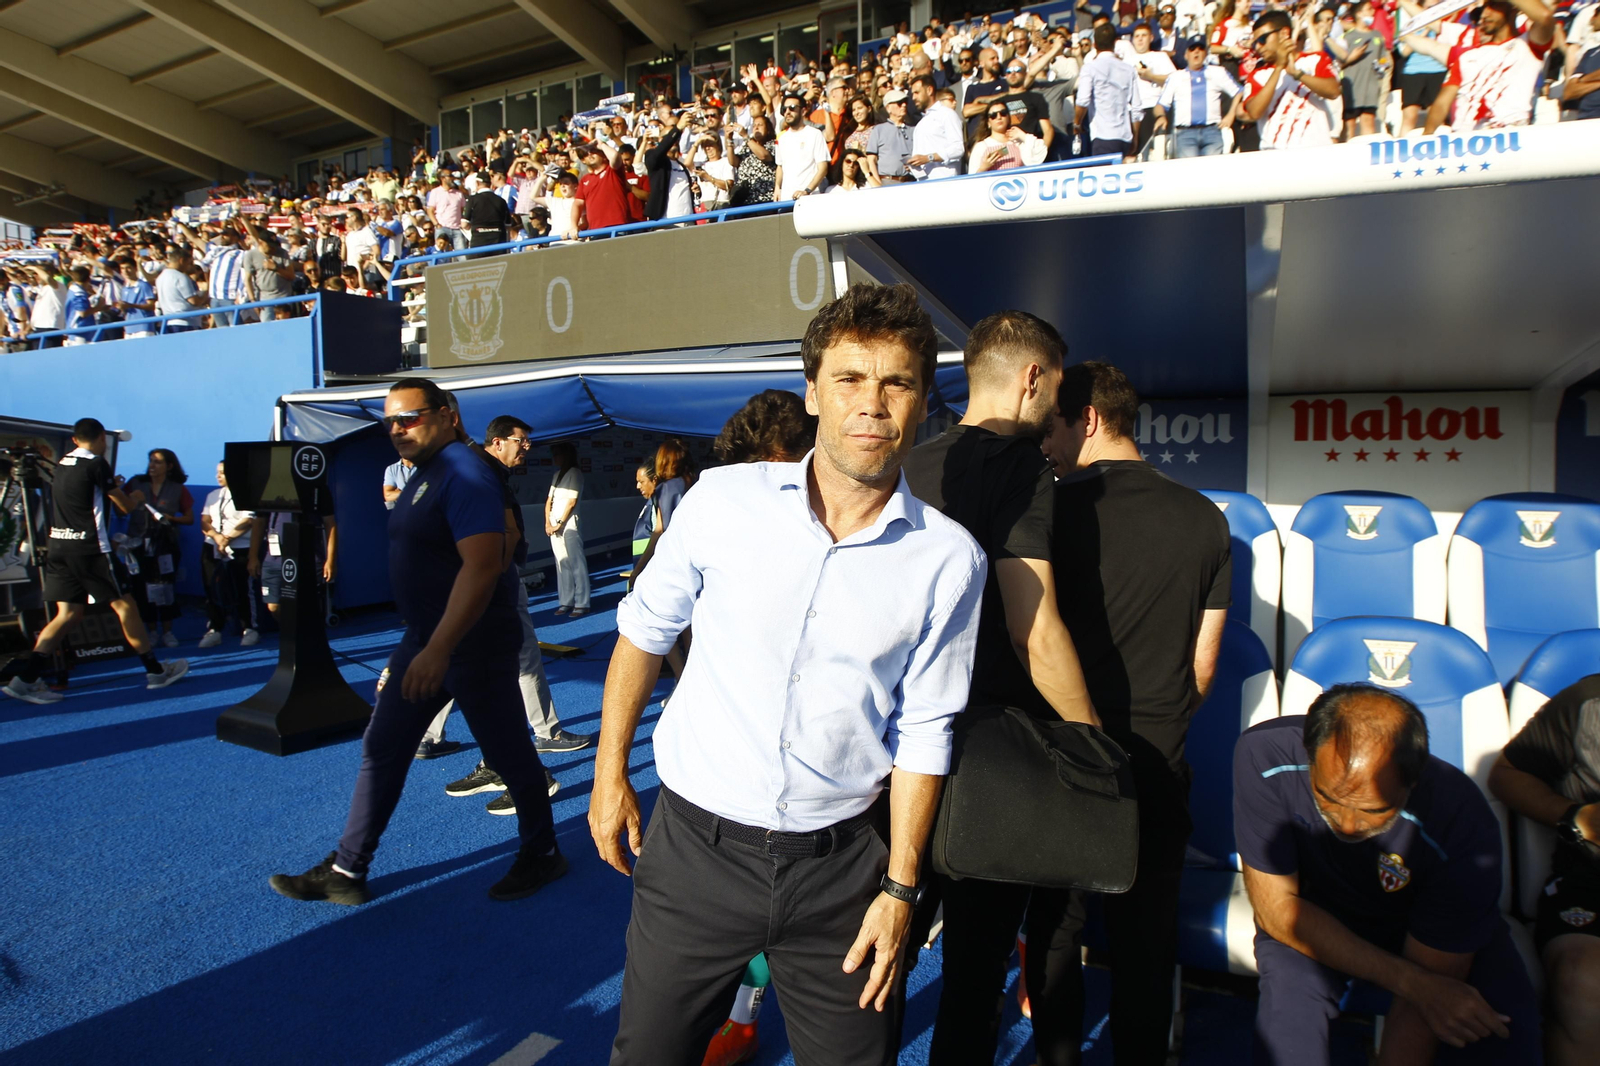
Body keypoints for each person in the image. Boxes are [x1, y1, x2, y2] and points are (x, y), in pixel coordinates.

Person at [591, 283, 986, 1066]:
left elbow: (925, 731)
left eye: (896, 381)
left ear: (923, 402)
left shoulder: (949, 559)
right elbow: (642, 633)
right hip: (694, 857)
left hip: (843, 875)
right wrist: (609, 777)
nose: (871, 403)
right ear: (813, 392)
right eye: (849, 378)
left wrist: (901, 892)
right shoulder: (722, 500)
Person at [268, 379, 566, 906]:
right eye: (390, 421)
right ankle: (347, 868)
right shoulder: (428, 474)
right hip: (429, 639)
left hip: (470, 643)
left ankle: (542, 853)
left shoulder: (466, 473)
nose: (397, 429)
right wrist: (421, 642)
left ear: (448, 414)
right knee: (383, 746)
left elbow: (482, 567)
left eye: (410, 417)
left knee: (508, 752)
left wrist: (438, 647)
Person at [1018, 360, 1230, 1065]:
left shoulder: (1047, 510)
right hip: (1160, 765)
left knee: (1055, 930)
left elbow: (1031, 641)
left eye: (1051, 426)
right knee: (1147, 939)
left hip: (1065, 762)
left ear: (1091, 420)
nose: (1043, 442)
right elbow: (1203, 667)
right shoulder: (1206, 518)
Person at [905, 314, 1101, 1066]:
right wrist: (1094, 748)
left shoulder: (911, 465)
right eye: (1054, 388)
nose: (1056, 411)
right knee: (975, 972)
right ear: (1031, 379)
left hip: (895, 760)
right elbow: (1035, 627)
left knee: (881, 947)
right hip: (987, 764)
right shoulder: (1024, 470)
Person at [1235, 686, 1543, 1064]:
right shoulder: (1265, 756)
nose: (1347, 825)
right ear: (1309, 755)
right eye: (1327, 797)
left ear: (1413, 783)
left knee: (1501, 1030)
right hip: (1316, 911)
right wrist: (1414, 984)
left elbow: (1435, 982)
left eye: (1372, 809)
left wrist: (1427, 990)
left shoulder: (1461, 821)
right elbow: (1277, 909)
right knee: (1289, 1002)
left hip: (1428, 929)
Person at [430, 414, 591, 779]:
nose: (527, 450)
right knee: (519, 659)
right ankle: (534, 742)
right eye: (522, 441)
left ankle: (432, 734)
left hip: (476, 578)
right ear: (498, 441)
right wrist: (499, 576)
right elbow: (506, 531)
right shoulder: (483, 472)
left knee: (463, 657)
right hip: (493, 580)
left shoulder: (474, 470)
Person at [0, 418, 188, 704]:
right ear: (101, 438)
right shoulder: (97, 464)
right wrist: (136, 495)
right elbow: (124, 507)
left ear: (75, 440)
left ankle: (24, 680)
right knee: (126, 606)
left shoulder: (62, 463)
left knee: (68, 615)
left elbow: (85, 494)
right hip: (91, 549)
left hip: (60, 547)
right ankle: (156, 672)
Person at [1488, 673, 1600, 1066]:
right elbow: (1506, 776)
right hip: (1589, 887)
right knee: (1583, 980)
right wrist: (1576, 816)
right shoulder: (1590, 700)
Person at [1424, 0, 1557, 134]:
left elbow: (1545, 17)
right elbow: (1441, 104)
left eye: (1493, 6)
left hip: (1510, 137)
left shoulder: (1528, 45)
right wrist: (1425, 138)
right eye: (1485, 7)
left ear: (1514, 8)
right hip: (1464, 141)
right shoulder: (1466, 57)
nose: (1485, 14)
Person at [121, 449, 196, 647]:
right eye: (151, 461)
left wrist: (171, 519)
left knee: (165, 587)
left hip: (165, 545)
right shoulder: (136, 483)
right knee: (141, 589)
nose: (152, 465)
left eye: (158, 462)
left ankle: (168, 631)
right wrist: (122, 492)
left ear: (169, 466)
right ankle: (151, 631)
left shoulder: (178, 489)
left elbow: (189, 519)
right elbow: (121, 509)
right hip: (138, 544)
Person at [1242, 9, 1343, 149]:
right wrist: (1278, 69)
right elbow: (1254, 112)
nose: (1258, 47)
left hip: (1314, 151)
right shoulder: (1257, 75)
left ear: (1284, 33)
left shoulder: (1315, 59)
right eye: (1255, 43)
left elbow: (1334, 91)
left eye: (1262, 39)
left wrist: (1297, 74)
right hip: (1274, 154)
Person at [198, 460, 260, 650]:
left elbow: (249, 520)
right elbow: (205, 521)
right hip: (212, 547)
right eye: (217, 472)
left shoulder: (247, 494)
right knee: (213, 589)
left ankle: (249, 628)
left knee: (242, 589)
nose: (218, 476)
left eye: (223, 473)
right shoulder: (212, 496)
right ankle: (215, 629)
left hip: (240, 548)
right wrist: (217, 537)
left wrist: (227, 538)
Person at [1154, 37, 1242, 156]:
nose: (1196, 51)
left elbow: (1239, 92)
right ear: (1186, 55)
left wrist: (1231, 115)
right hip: (1185, 133)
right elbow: (1161, 105)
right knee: (1190, 171)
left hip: (1212, 131)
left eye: (1200, 49)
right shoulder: (1175, 77)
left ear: (1205, 53)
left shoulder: (1218, 72)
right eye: (1192, 48)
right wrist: (1161, 116)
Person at [1075, 24, 1144, 160]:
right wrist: (1135, 137)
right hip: (1125, 137)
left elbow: (1083, 100)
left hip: (1102, 136)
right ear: (1114, 43)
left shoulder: (1089, 68)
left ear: (1094, 44)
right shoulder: (1129, 69)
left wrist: (1076, 123)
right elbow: (1137, 109)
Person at [1329, 0, 1389, 138]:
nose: (1372, 12)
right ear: (1359, 14)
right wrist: (1352, 58)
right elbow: (1337, 63)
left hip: (1370, 87)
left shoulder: (1377, 35)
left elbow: (1383, 58)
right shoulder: (1347, 37)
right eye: (1368, 9)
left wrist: (1380, 68)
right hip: (1351, 88)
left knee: (1368, 123)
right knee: (1349, 125)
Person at [545, 441, 589, 617]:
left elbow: (572, 501)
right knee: (561, 563)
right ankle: (566, 601)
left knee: (576, 562)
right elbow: (549, 501)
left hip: (569, 523)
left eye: (557, 454)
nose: (555, 458)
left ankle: (583, 602)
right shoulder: (557, 475)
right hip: (554, 524)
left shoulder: (575, 474)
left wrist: (559, 523)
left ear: (566, 455)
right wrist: (548, 524)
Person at [774, 92, 830, 199]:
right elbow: (780, 166)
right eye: (784, 109)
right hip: (786, 199)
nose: (787, 112)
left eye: (792, 108)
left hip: (809, 198)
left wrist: (807, 190)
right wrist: (777, 188)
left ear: (803, 111)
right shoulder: (782, 138)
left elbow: (823, 168)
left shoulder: (815, 134)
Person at [908, 84, 964, 179]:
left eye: (917, 92)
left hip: (945, 181)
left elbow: (958, 148)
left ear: (929, 90)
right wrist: (913, 165)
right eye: (912, 94)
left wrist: (928, 158)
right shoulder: (920, 124)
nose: (913, 97)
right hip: (923, 183)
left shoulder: (947, 114)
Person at [864, 89, 916, 183]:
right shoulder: (878, 130)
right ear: (888, 108)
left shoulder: (913, 130)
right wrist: (877, 183)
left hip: (911, 181)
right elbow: (871, 160)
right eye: (899, 103)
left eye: (905, 102)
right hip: (887, 182)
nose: (904, 105)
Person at [462, 171, 514, 249]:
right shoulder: (501, 200)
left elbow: (464, 224)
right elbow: (508, 225)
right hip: (498, 243)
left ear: (477, 183)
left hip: (479, 243)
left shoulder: (472, 200)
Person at [425, 170, 468, 251]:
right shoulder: (435, 192)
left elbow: (462, 209)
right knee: (442, 256)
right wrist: (436, 224)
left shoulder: (459, 193)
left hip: (457, 229)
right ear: (442, 178)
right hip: (442, 228)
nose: (452, 178)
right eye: (449, 176)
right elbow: (430, 210)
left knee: (462, 255)